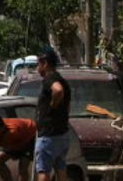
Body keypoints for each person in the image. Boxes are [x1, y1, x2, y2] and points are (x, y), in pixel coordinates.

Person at [34, 48, 70, 181]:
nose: (37, 68)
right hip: (62, 134)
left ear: (45, 63)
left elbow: (58, 91)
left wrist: (52, 106)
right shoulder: (63, 81)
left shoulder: (50, 78)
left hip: (49, 135)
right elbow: (68, 107)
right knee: (61, 168)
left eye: (38, 64)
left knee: (43, 170)